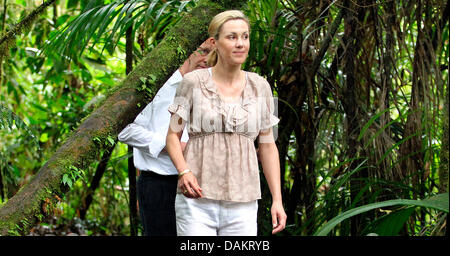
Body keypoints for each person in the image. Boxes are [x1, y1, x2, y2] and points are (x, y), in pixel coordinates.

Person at [166, 10, 287, 236]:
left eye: (245, 36)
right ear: (215, 42)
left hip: (244, 201)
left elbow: (268, 146)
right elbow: (173, 136)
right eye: (232, 37)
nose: (240, 43)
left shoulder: (261, 86)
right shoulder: (192, 82)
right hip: (197, 200)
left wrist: (277, 200)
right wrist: (184, 172)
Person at [118, 39, 213, 236]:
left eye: (213, 53)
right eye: (202, 51)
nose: (207, 59)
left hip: (202, 186)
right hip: (160, 183)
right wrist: (173, 146)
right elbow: (125, 129)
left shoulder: (213, 86)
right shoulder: (157, 84)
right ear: (187, 50)